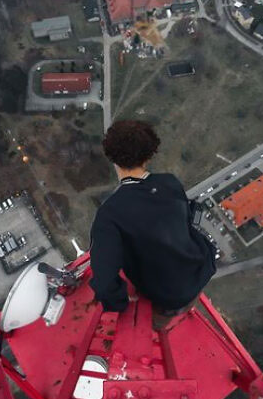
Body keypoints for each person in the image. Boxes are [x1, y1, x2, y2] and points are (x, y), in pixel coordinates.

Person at [89, 120, 216, 330]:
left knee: (157, 325)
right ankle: (178, 315)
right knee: (184, 300)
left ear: (111, 157)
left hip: (170, 296)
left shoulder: (110, 214)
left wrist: (119, 303)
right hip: (201, 268)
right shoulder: (169, 182)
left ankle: (161, 327)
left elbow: (103, 281)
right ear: (149, 155)